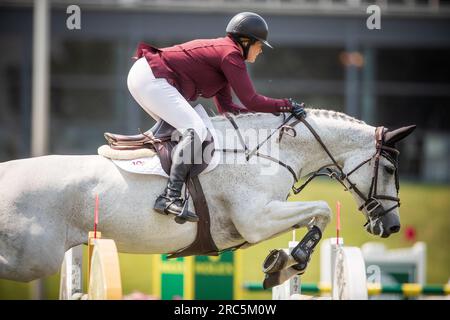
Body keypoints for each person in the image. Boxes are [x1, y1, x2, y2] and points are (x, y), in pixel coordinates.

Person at [127, 12, 306, 223]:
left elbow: (228, 109)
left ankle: (157, 187)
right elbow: (252, 100)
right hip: (151, 77)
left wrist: (273, 116)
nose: (260, 51)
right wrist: (286, 106)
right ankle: (170, 196)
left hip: (147, 76)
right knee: (196, 130)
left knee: (183, 133)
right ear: (245, 42)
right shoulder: (231, 55)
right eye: (259, 45)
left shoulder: (226, 56)